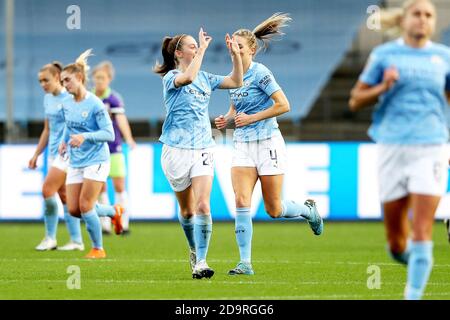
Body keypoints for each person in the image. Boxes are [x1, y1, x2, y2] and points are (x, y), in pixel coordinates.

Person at [349, 0, 450, 300]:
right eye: (417, 14)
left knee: (421, 231)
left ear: (434, 23)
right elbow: (355, 100)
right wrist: (384, 87)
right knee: (396, 243)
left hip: (431, 147)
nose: (422, 20)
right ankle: (417, 262)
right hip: (391, 147)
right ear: (404, 19)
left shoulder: (443, 57)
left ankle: (413, 294)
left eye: (429, 15)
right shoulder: (384, 55)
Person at [214, 13, 323, 276]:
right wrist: (226, 119)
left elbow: (284, 105)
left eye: (240, 47)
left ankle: (308, 211)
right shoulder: (234, 77)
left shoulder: (261, 73)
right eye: (233, 47)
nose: (235, 51)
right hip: (242, 145)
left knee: (274, 209)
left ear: (251, 50)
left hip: (267, 143)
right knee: (241, 201)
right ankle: (245, 263)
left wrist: (252, 118)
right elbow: (235, 107)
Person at [153, 28, 243, 279]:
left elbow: (236, 81)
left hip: (203, 147)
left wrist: (235, 55)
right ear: (179, 53)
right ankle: (193, 249)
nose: (197, 48)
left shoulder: (205, 77)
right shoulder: (171, 77)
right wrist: (203, 50)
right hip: (175, 150)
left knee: (203, 205)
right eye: (192, 46)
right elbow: (188, 78)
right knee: (188, 212)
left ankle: (201, 261)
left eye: (197, 45)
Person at [59, 49, 124, 259]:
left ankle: (98, 248)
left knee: (86, 206)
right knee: (74, 209)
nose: (64, 85)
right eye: (62, 81)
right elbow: (69, 126)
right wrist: (63, 141)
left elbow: (109, 133)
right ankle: (114, 211)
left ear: (79, 78)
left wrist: (85, 137)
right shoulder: (67, 103)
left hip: (97, 159)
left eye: (67, 80)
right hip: (76, 159)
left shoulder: (95, 103)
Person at [29, 62, 84, 251]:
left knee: (47, 189)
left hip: (67, 153)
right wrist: (37, 153)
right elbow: (47, 129)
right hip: (53, 154)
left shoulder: (69, 98)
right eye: (40, 81)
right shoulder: (47, 99)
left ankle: (50, 238)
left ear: (57, 77)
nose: (43, 84)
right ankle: (76, 241)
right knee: (64, 196)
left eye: (46, 80)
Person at [92, 61, 136, 235]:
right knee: (100, 189)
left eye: (103, 78)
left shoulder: (113, 98)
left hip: (114, 149)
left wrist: (129, 139)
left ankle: (123, 224)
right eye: (97, 78)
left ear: (109, 79)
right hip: (95, 151)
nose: (99, 81)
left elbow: (121, 120)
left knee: (119, 188)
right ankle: (105, 225)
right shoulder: (89, 97)